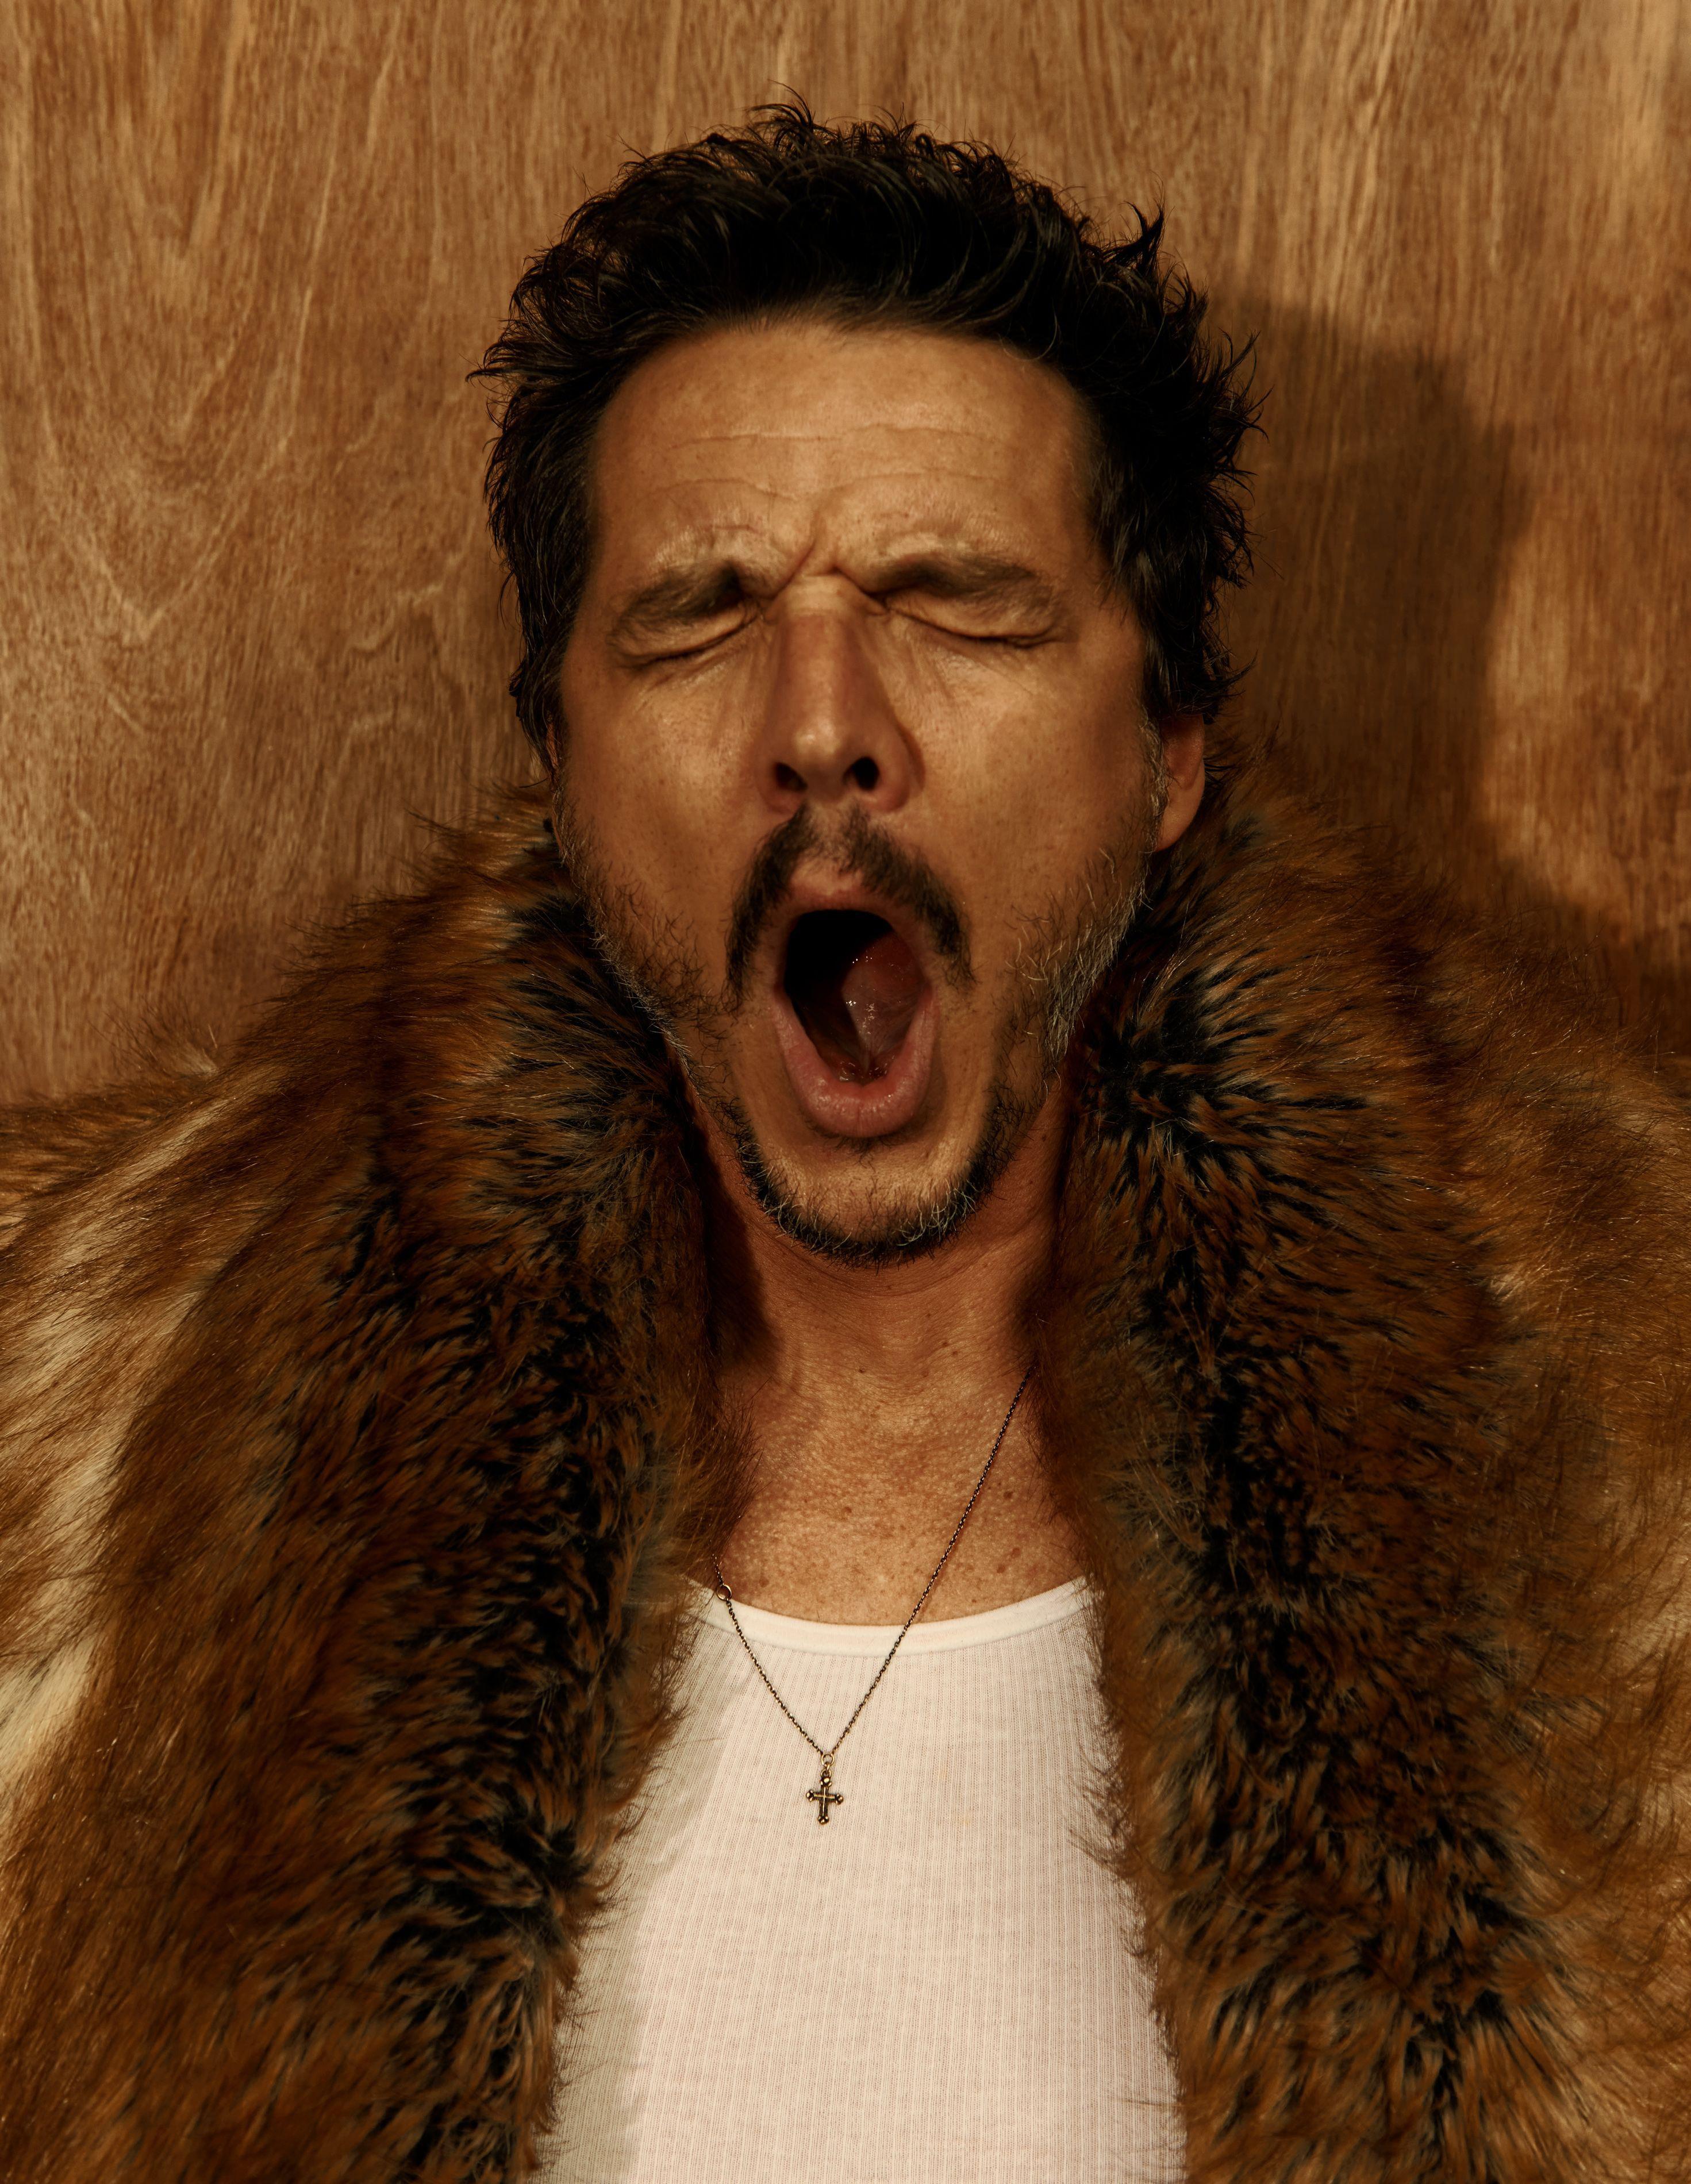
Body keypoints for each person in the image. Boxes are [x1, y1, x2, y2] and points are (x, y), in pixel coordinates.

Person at [1, 104, 1686, 2184]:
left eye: (958, 603)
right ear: (563, 770)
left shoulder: (1638, 1455)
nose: (820, 721)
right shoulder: (80, 1449)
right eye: (700, 616)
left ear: (1167, 758)